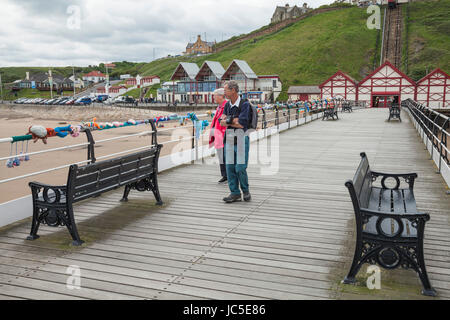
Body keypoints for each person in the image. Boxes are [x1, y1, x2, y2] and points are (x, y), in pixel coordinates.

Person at [220, 80, 251, 203]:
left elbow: (242, 124)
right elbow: (221, 122)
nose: (224, 93)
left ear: (233, 90)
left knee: (240, 167)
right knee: (230, 167)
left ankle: (246, 191)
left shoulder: (245, 104)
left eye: (225, 90)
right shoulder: (227, 105)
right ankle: (234, 193)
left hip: (241, 137)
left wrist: (228, 120)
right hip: (229, 138)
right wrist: (234, 120)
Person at [208, 88, 228, 183]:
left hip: (224, 135)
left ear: (221, 96)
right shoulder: (219, 107)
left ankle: (227, 175)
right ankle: (224, 175)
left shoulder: (226, 106)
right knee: (221, 156)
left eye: (215, 95)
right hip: (218, 135)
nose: (214, 97)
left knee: (225, 156)